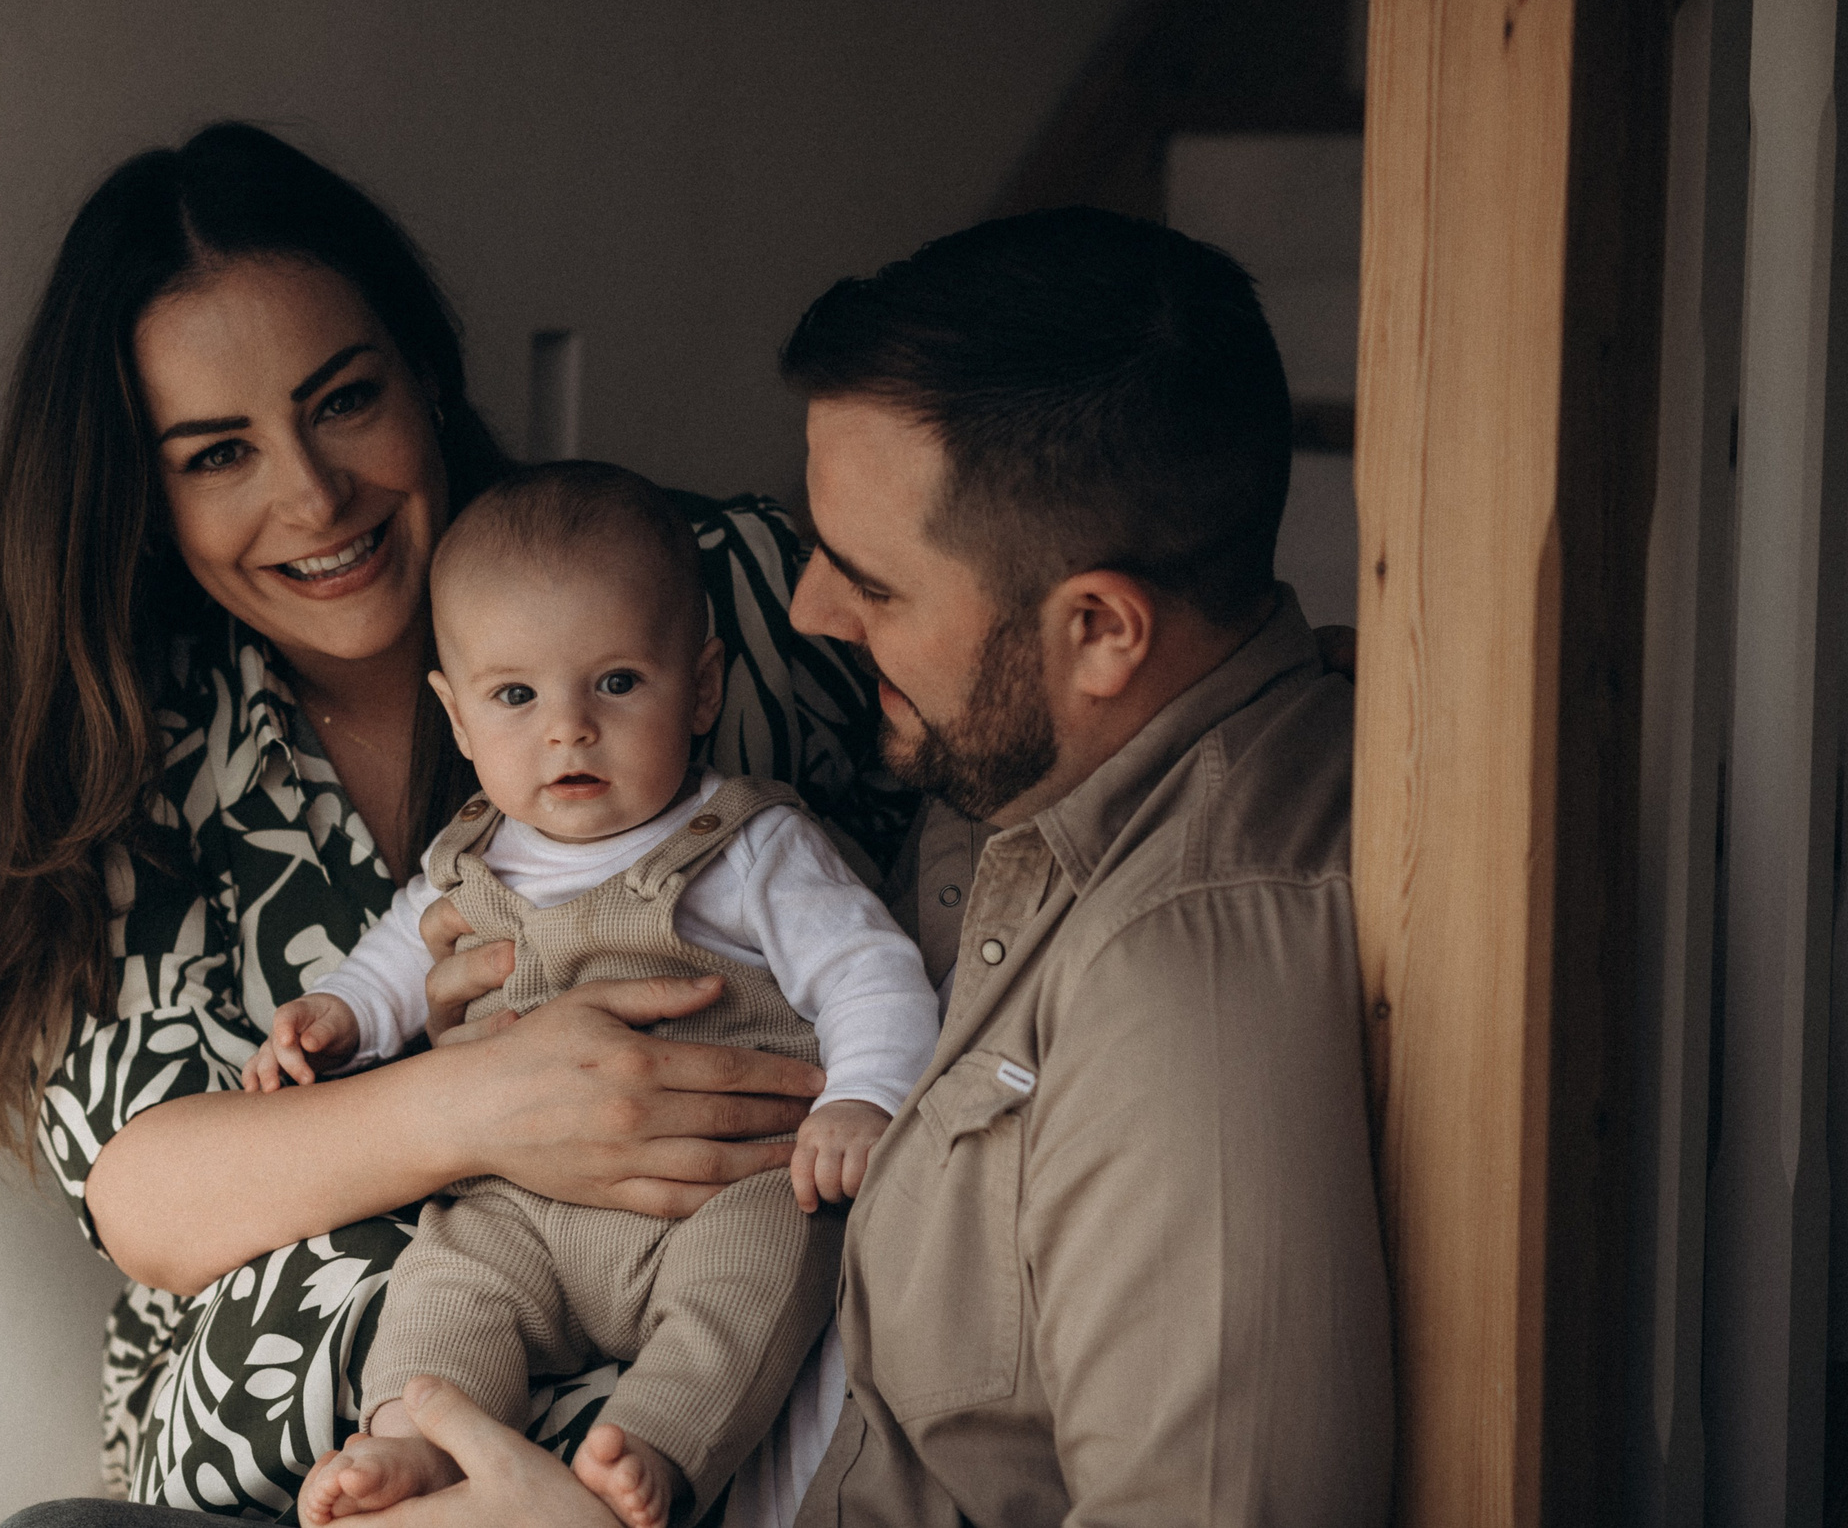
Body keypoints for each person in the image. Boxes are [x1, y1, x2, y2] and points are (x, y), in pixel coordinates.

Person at [325, 208, 1395, 1525]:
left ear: (1102, 629)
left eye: (873, 583)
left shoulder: (1183, 999)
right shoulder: (1019, 774)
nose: (808, 612)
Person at [0, 121, 915, 1520]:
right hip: (284, 1474)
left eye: (342, 401)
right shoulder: (140, 749)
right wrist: (490, 1104)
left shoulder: (704, 589)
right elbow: (149, 1195)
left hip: (676, 1426)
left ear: (424, 377)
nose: (314, 496)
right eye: (218, 454)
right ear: (147, 495)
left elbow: (1007, 771)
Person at [242, 463, 936, 1528]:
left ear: (699, 687)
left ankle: (652, 1444)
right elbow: (394, 957)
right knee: (447, 1279)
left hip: (717, 1188)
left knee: (769, 1266)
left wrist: (862, 1097)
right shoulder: (468, 855)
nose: (567, 728)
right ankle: (418, 1437)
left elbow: (868, 968)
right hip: (523, 1205)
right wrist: (338, 1013)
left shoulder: (747, 845)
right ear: (458, 717)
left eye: (615, 682)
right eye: (516, 695)